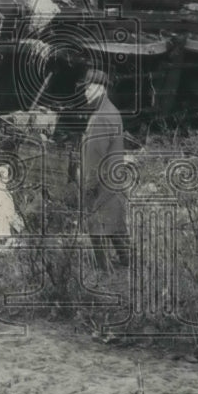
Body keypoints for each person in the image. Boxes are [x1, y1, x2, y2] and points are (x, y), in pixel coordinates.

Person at [79, 67, 131, 269]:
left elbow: (94, 157)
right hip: (115, 181)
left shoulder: (99, 117)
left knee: (96, 227)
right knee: (116, 225)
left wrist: (88, 188)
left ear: (101, 89)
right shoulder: (112, 111)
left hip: (102, 184)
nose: (85, 93)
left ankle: (103, 273)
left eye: (89, 88)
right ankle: (127, 263)